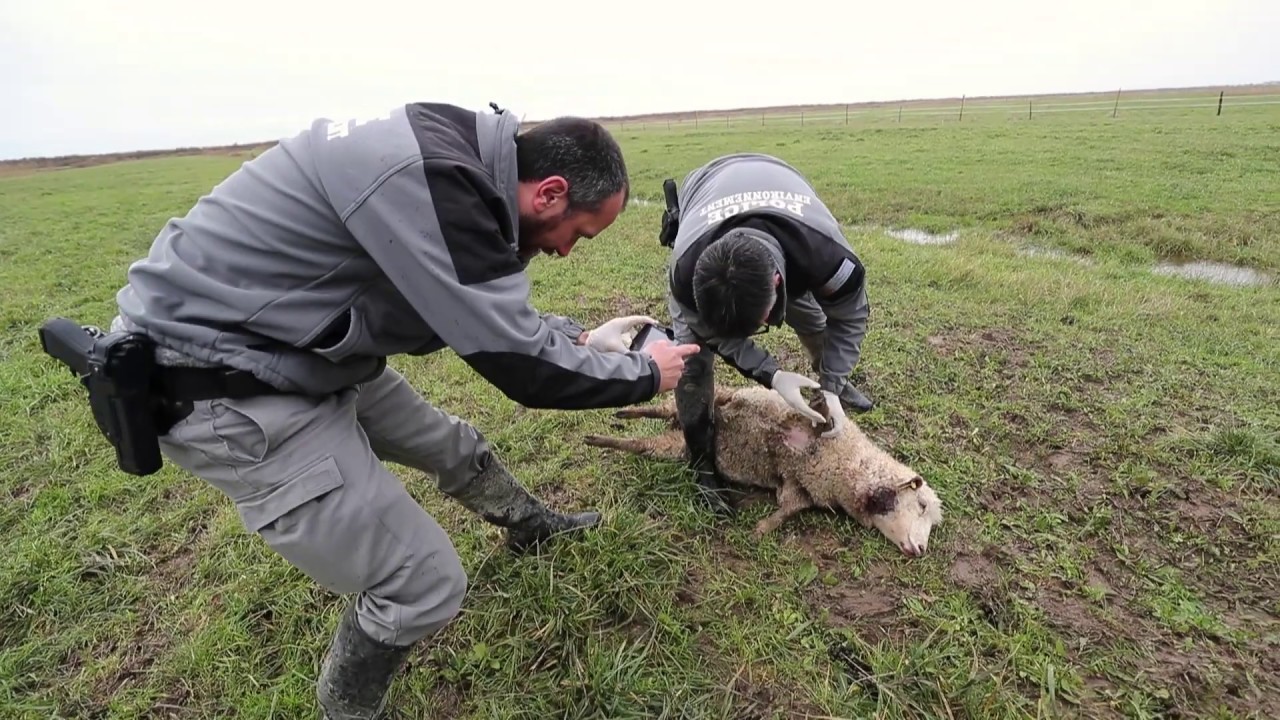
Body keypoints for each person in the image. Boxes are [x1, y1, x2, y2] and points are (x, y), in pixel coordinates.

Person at [105, 101, 700, 719]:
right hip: (223, 383)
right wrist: (647, 373)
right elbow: (520, 366)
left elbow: (454, 299)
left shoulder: (451, 154)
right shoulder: (437, 186)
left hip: (297, 348)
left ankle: (531, 527)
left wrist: (574, 338)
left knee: (454, 446)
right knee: (421, 582)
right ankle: (349, 708)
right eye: (577, 234)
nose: (568, 253)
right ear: (549, 192)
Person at [659, 152, 874, 514]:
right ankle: (700, 462)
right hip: (707, 190)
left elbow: (849, 318)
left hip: (781, 184)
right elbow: (706, 332)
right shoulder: (687, 270)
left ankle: (834, 384)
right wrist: (771, 374)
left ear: (778, 282)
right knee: (691, 362)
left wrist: (833, 382)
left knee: (816, 323)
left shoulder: (828, 257)